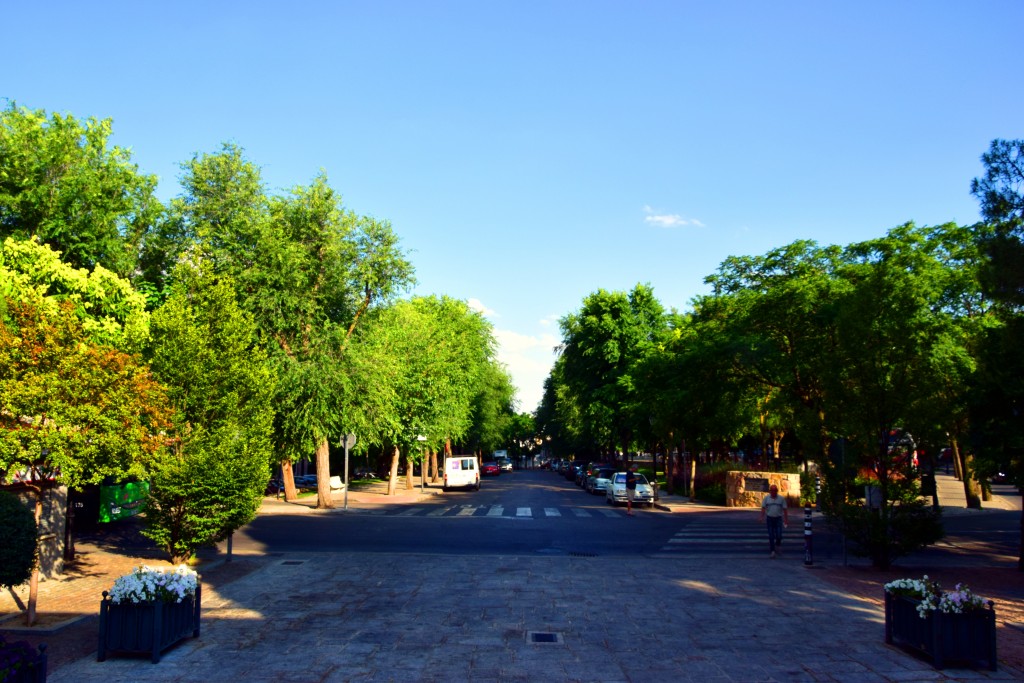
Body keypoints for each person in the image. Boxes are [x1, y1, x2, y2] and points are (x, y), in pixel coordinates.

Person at [759, 484, 788, 558]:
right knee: (771, 535)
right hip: (770, 518)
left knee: (779, 535)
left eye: (775, 490)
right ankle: (772, 551)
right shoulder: (766, 498)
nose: (773, 492)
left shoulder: (781, 499)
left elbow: (785, 509)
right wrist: (761, 517)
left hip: (778, 518)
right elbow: (763, 508)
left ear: (777, 491)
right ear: (770, 491)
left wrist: (786, 520)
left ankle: (778, 545)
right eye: (772, 490)